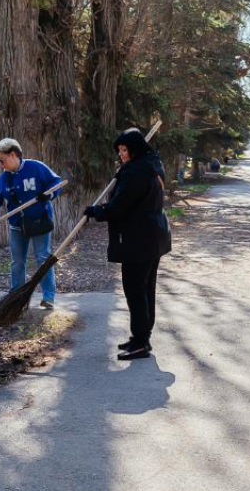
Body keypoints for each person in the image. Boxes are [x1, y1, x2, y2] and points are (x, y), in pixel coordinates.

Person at [84, 128, 172, 361]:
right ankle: (141, 337)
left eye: (125, 149)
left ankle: (141, 341)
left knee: (135, 291)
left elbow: (119, 206)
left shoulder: (135, 172)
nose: (121, 154)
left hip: (139, 239)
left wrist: (95, 211)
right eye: (119, 150)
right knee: (145, 289)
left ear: (134, 149)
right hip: (154, 236)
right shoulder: (152, 164)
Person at [0, 139, 62, 309]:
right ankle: (16, 297)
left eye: (1, 160)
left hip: (39, 222)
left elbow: (57, 182)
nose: (0, 164)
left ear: (13, 155)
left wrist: (49, 194)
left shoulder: (36, 168)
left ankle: (48, 297)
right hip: (17, 226)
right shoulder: (3, 179)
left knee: (43, 258)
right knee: (17, 262)